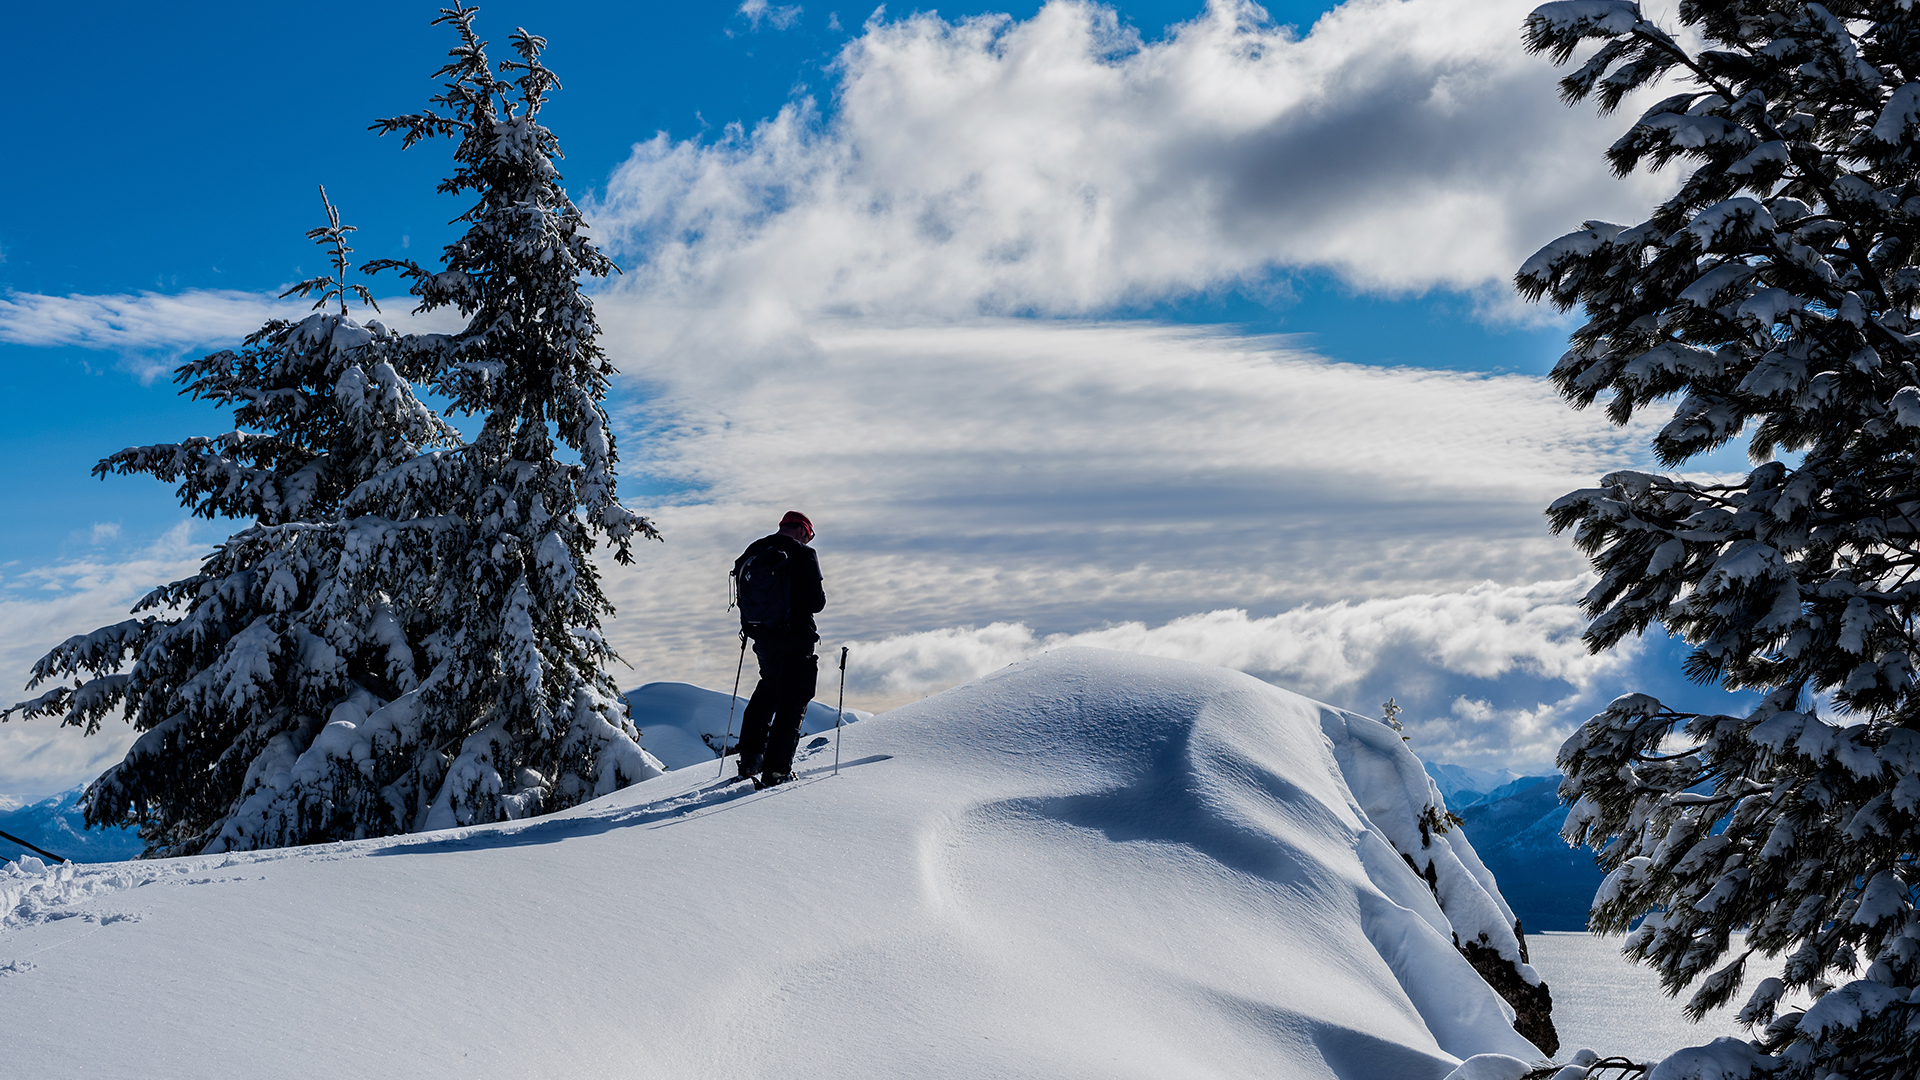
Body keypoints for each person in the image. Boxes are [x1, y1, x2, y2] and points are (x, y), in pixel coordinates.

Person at [731, 510, 826, 787]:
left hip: (763, 637)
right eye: (808, 535)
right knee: (794, 698)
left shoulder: (754, 549)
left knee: (768, 689)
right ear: (801, 530)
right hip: (796, 636)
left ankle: (750, 760)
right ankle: (776, 771)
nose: (808, 540)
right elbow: (816, 602)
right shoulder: (803, 554)